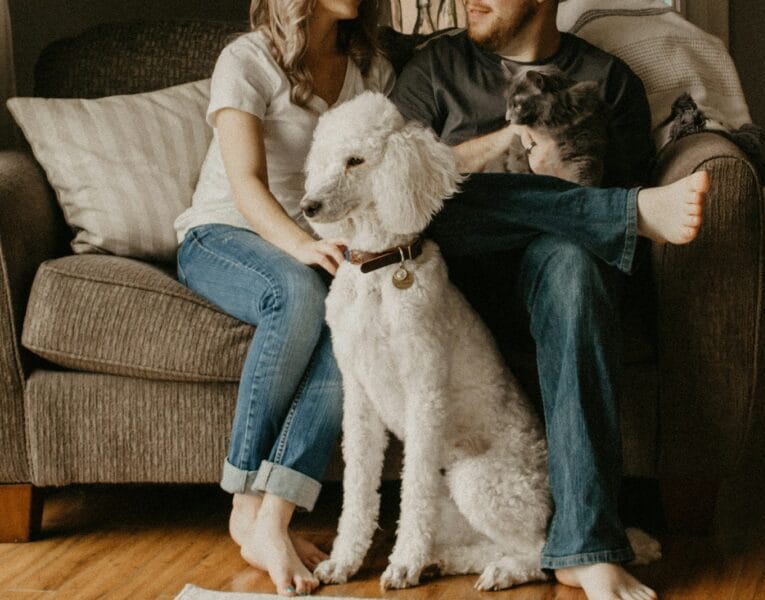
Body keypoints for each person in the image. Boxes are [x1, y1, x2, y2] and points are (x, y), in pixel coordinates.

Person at [389, 1, 709, 599]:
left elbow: (615, 253)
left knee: (575, 263)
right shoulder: (435, 69)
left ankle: (584, 548)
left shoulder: (607, 81)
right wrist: (504, 143)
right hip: (453, 276)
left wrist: (567, 183)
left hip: (554, 275)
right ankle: (624, 215)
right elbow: (397, 188)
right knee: (429, 195)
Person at [173, 0, 394, 596]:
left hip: (318, 241)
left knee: (355, 322)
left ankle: (272, 517)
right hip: (223, 234)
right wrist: (299, 243)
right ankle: (245, 509)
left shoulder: (369, 68)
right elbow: (244, 180)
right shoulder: (245, 60)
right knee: (298, 295)